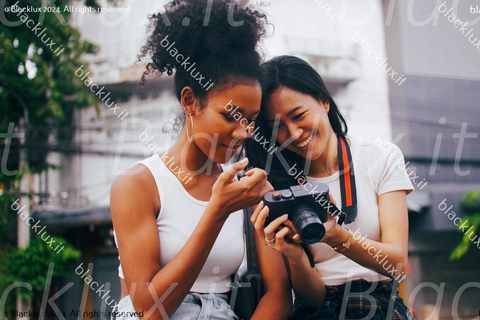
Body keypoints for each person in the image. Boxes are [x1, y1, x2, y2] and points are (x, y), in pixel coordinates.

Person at [110, 1, 273, 319]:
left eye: (251, 119)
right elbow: (148, 310)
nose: (243, 131)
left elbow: (276, 292)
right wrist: (217, 212)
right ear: (190, 101)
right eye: (231, 116)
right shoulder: (138, 185)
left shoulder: (244, 189)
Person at [246, 55, 416, 319]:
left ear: (324, 101)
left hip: (382, 305)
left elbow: (395, 264)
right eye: (278, 127)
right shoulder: (277, 187)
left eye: (299, 115)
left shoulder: (380, 157)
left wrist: (337, 237)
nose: (293, 133)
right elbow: (313, 297)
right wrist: (295, 256)